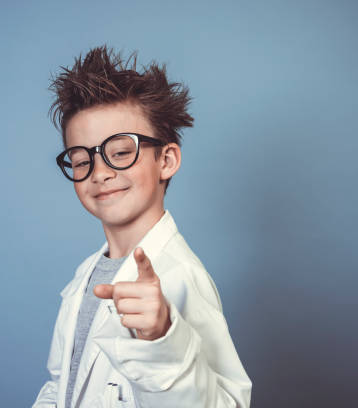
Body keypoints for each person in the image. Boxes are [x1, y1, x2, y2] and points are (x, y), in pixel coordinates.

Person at [33, 45, 251, 408]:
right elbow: (62, 384)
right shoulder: (86, 274)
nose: (100, 172)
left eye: (120, 152)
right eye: (81, 159)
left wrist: (163, 337)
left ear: (166, 160)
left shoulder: (179, 276)